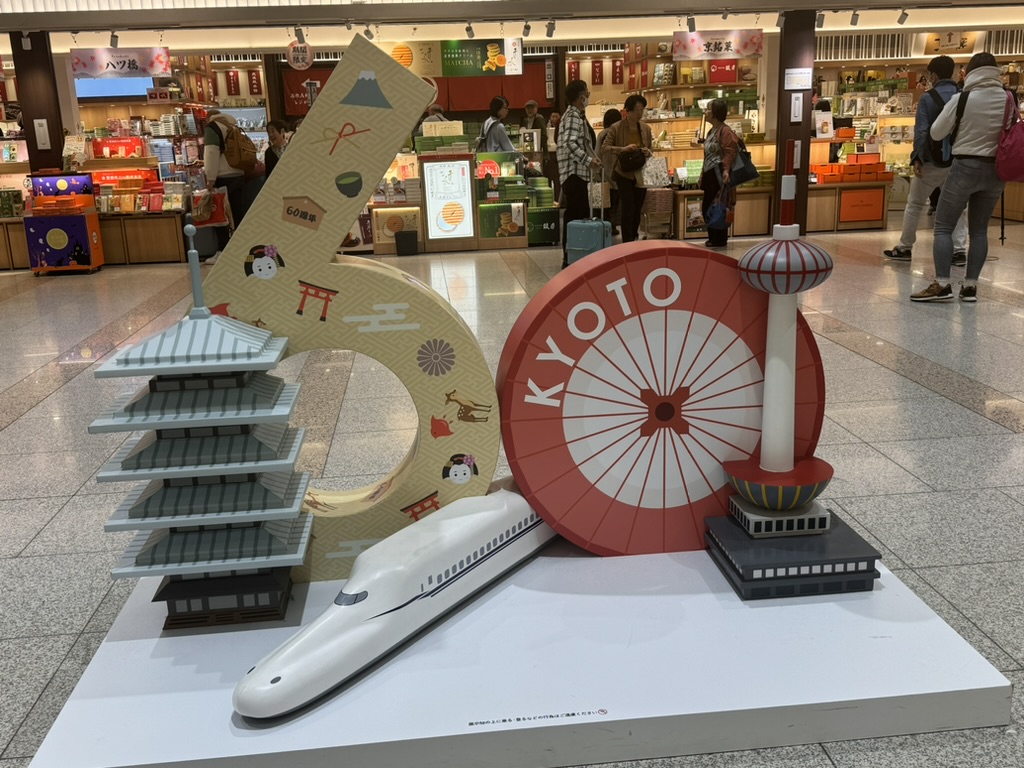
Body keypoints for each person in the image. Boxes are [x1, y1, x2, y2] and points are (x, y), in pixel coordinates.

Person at [911, 52, 1010, 303]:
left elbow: (936, 132)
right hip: (996, 170)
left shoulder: (963, 98)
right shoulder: (1008, 98)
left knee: (943, 226)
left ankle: (942, 283)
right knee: (979, 230)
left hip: (965, 165)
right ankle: (970, 287)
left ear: (971, 72)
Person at [884, 56, 968, 266]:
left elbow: (921, 131)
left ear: (933, 75)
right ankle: (959, 251)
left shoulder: (927, 98)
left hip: (931, 161)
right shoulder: (964, 97)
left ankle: (905, 247)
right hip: (956, 161)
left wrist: (917, 158)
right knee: (958, 206)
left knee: (914, 204)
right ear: (954, 73)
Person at [556, 79, 601, 269]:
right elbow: (570, 143)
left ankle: (573, 255)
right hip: (574, 173)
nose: (589, 96)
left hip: (573, 173)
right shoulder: (574, 115)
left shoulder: (572, 115)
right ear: (581, 96)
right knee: (576, 215)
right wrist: (588, 160)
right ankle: (571, 258)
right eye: (587, 93)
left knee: (575, 215)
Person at [602, 95, 654, 242]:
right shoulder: (617, 127)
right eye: (638, 109)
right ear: (628, 111)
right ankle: (627, 240)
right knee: (628, 207)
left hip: (640, 172)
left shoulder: (645, 128)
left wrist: (647, 151)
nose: (640, 113)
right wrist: (622, 149)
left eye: (642, 109)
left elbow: (651, 148)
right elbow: (605, 148)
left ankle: (634, 235)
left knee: (637, 207)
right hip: (623, 172)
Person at [203, 109, 252, 253]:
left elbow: (211, 152)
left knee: (220, 215)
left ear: (208, 118)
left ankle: (223, 250)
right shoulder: (233, 125)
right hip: (238, 172)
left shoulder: (213, 127)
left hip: (223, 176)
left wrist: (210, 178)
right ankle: (241, 247)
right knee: (238, 212)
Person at [699, 98, 738, 249]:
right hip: (709, 173)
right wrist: (702, 174)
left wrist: (726, 170)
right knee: (708, 206)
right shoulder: (711, 131)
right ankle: (713, 237)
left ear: (715, 113)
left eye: (708, 109)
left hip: (719, 174)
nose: (706, 112)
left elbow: (730, 152)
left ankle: (719, 239)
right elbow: (707, 154)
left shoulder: (725, 131)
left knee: (719, 206)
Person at [596, 107, 622, 234]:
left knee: (605, 202)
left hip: (604, 172)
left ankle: (605, 224)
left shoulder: (602, 134)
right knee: (615, 202)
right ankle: (613, 225)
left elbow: (597, 154)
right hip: (617, 171)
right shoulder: (619, 133)